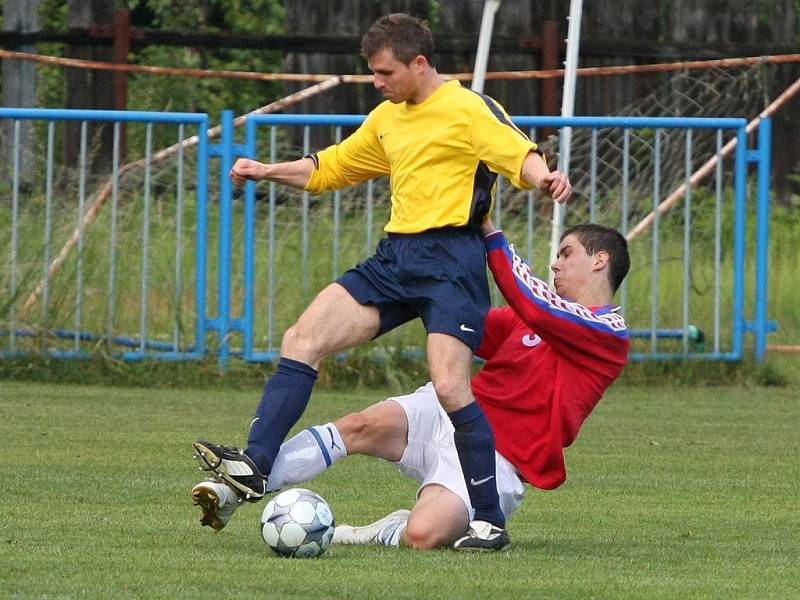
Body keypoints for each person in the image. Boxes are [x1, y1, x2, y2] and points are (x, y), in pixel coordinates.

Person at [191, 13, 571, 551]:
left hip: (453, 263)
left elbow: (519, 153)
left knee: (449, 386)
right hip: (397, 259)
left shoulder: (467, 109)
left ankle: (489, 522)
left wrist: (546, 179)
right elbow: (330, 167)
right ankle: (254, 463)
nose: (378, 82)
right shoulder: (388, 116)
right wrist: (266, 170)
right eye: (374, 73)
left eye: (386, 72)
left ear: (420, 63)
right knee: (303, 339)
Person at [192, 219, 630, 550]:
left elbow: (532, 301)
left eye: (566, 252)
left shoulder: (607, 332)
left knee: (424, 535)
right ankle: (237, 488)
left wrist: (490, 232)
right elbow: (468, 327)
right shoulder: (530, 317)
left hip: (496, 457)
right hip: (450, 412)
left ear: (600, 260)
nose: (555, 261)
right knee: (359, 425)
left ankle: (385, 529)